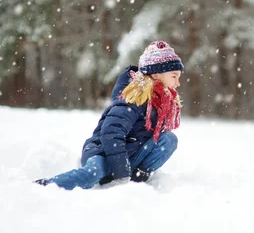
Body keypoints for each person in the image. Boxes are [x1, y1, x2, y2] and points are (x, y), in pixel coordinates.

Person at [35, 40, 184, 190]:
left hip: (130, 155)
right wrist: (121, 171)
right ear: (157, 75)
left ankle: (137, 178)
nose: (178, 83)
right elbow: (111, 133)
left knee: (168, 140)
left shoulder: (161, 102)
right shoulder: (133, 99)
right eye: (174, 76)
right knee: (92, 174)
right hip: (103, 152)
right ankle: (46, 186)